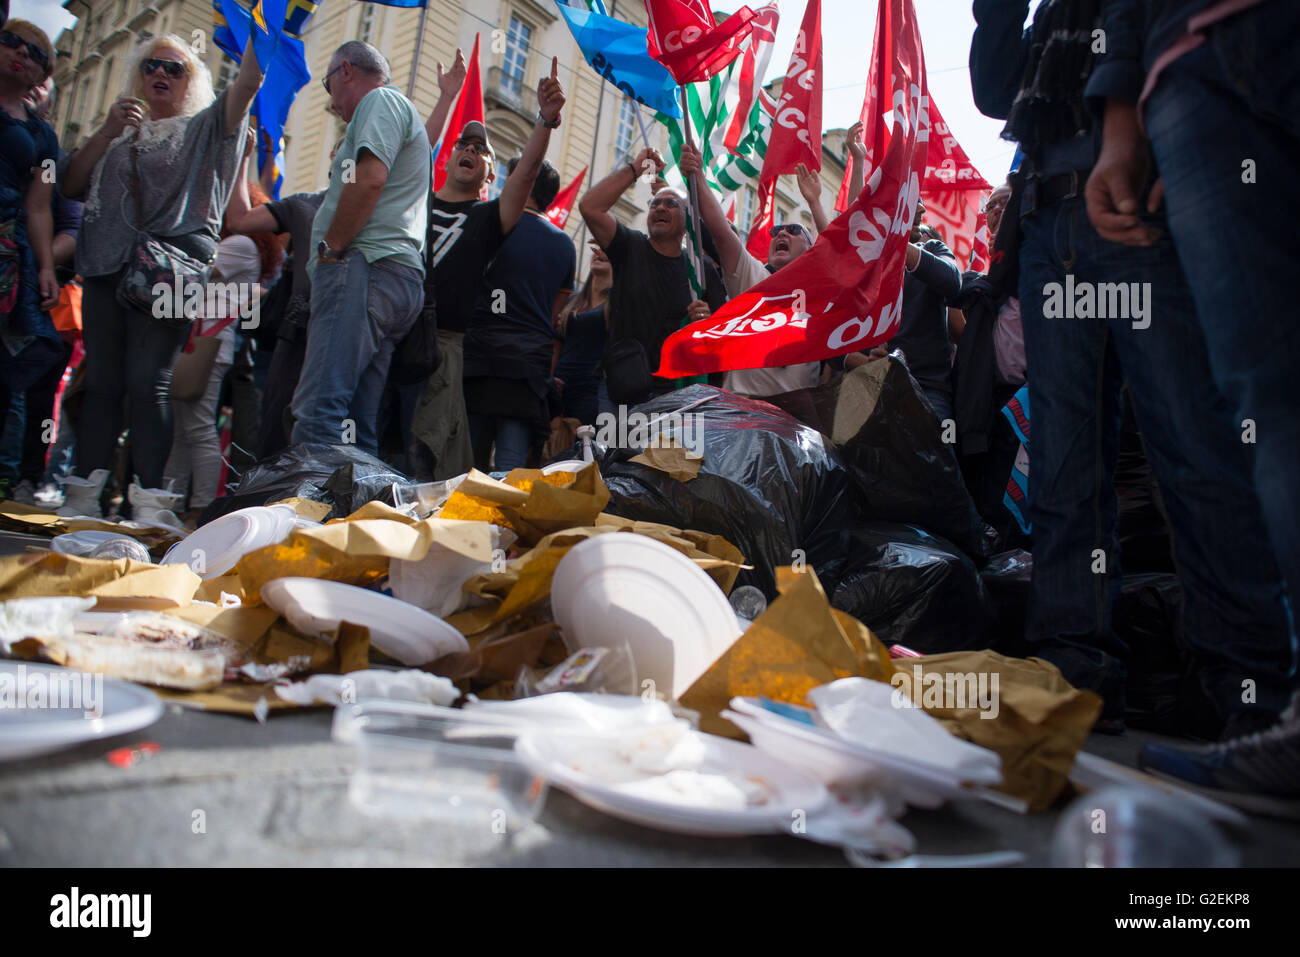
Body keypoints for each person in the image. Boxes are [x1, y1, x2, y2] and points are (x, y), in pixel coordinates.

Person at [970, 0, 1294, 737]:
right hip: (1052, 232)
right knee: (1063, 467)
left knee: (1192, 451)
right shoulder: (1049, 20)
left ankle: (1245, 689)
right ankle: (1073, 672)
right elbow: (995, 92)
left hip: (1137, 216)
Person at [58, 31, 265, 505]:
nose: (160, 74)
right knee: (103, 386)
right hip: (105, 271)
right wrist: (108, 130)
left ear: (192, 80)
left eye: (175, 68)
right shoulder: (119, 134)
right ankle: (84, 495)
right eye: (152, 65)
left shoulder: (204, 129)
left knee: (150, 385)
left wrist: (260, 21)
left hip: (165, 278)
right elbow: (69, 184)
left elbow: (250, 80)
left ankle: (151, 502)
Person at [410, 54, 567, 479]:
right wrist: (447, 96)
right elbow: (414, 154)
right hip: (392, 335)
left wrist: (545, 120)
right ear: (448, 158)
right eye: (463, 144)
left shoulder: (488, 219)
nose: (470, 150)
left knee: (426, 457)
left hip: (443, 352)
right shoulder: (414, 200)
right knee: (376, 441)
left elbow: (527, 172)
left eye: (481, 150)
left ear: (488, 176)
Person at [288, 41, 429, 454]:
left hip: (362, 268)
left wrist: (331, 249)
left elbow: (370, 180)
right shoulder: (399, 110)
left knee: (318, 413)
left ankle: (308, 513)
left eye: (328, 85)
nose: (331, 102)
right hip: (390, 277)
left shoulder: (380, 101)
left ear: (345, 70)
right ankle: (349, 516)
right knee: (355, 422)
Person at [578, 146, 727, 410]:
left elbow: (722, 335)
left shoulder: (700, 268)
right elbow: (590, 207)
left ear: (688, 220)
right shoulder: (630, 246)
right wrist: (636, 169)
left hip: (677, 396)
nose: (660, 207)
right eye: (655, 203)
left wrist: (705, 321)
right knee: (617, 452)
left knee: (663, 454)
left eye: (671, 204)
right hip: (621, 389)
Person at [678, 143, 824, 396]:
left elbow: (842, 254)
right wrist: (698, 176)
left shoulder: (819, 295)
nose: (781, 233)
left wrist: (814, 203)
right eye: (776, 231)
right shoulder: (755, 277)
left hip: (797, 417)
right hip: (744, 411)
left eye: (793, 230)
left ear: (810, 250)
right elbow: (722, 233)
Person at [463, 158, 575, 471]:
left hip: (480, 357)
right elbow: (554, 313)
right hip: (527, 365)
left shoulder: (492, 223)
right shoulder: (564, 244)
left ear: (520, 182)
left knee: (472, 463)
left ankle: (465, 520)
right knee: (511, 466)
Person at [2, 72, 81, 505]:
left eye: (42, 74)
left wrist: (37, 263)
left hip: (36, 297)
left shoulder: (52, 154)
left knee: (25, 390)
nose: (30, 80)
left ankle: (19, 477)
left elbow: (70, 225)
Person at [224, 136, 326, 459]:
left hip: (344, 332)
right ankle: (266, 499)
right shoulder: (304, 205)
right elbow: (239, 220)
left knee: (328, 425)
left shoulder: (381, 210)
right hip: (296, 328)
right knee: (273, 421)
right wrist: (243, 160)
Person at [0, 21, 61, 500]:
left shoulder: (42, 137)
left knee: (9, 366)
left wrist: (44, 266)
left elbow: (39, 205)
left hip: (8, 254)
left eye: (36, 52)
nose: (21, 53)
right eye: (11, 41)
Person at [554, 243, 612, 426]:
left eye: (606, 249)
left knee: (584, 451)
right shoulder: (572, 300)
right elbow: (556, 345)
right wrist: (548, 379)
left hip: (592, 392)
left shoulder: (619, 303)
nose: (598, 252)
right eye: (596, 248)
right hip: (559, 387)